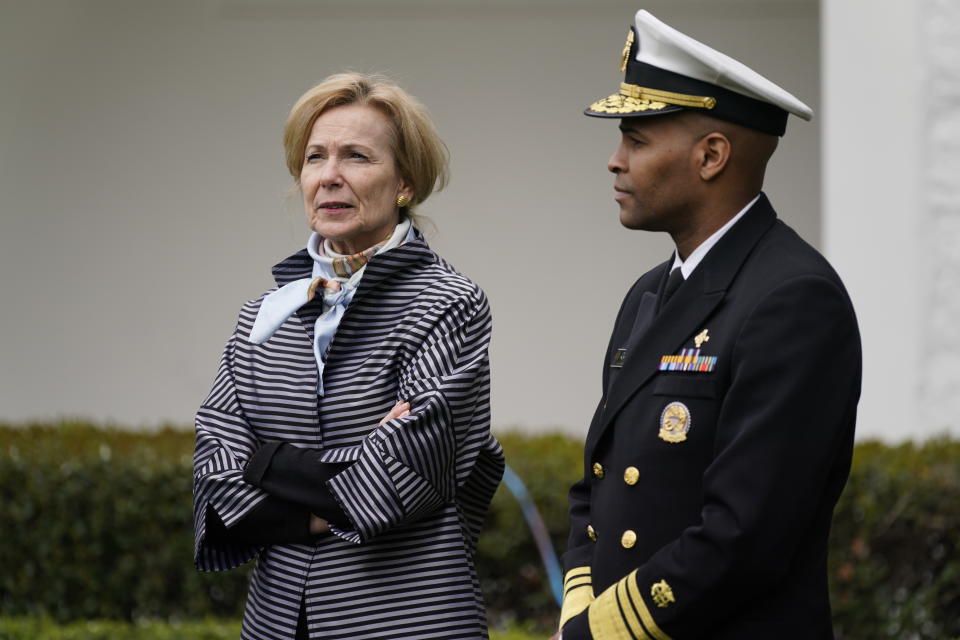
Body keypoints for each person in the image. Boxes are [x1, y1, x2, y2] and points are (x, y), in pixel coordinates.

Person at [554, 10, 861, 640]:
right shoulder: (650, 293)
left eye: (636, 141)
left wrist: (594, 634)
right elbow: (598, 487)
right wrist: (579, 617)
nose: (615, 161)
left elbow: (743, 536)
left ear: (712, 156)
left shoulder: (793, 298)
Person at [192, 72, 504, 640]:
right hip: (277, 623)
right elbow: (214, 481)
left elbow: (405, 476)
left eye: (357, 157)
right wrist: (344, 473)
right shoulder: (262, 314)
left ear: (404, 182)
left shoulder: (449, 303)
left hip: (409, 621)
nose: (330, 176)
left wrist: (268, 463)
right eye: (315, 158)